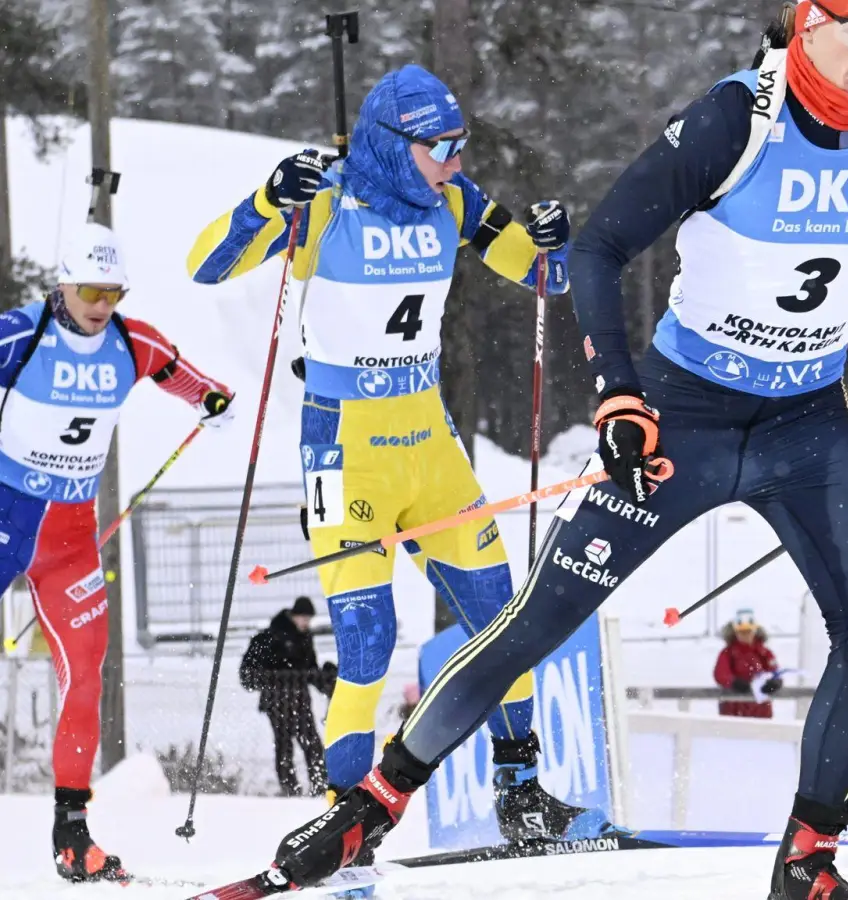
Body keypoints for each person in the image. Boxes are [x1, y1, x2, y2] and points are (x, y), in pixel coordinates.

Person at [264, 4, 848, 899]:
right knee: (538, 621)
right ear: (809, 28)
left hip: (807, 423)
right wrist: (618, 392)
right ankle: (370, 804)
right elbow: (602, 248)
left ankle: (808, 861)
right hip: (684, 417)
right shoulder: (736, 119)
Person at [186, 63, 585, 864]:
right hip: (346, 448)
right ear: (395, 144)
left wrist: (553, 238)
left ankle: (522, 792)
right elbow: (208, 264)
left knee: (503, 618)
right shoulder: (326, 200)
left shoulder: (454, 201)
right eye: (442, 145)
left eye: (461, 142)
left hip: (428, 441)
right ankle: (347, 818)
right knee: (367, 641)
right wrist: (269, 198)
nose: (457, 160)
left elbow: (544, 275)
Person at [0, 223, 234, 882]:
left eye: (113, 290)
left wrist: (212, 400)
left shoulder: (132, 342)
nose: (101, 303)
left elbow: (184, 375)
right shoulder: (22, 333)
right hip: (6, 518)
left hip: (72, 539)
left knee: (85, 673)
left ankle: (72, 836)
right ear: (63, 284)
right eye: (90, 289)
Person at [240, 595, 337, 797]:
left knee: (311, 744)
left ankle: (319, 786)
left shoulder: (304, 637)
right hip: (276, 700)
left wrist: (327, 683)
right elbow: (250, 674)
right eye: (303, 618)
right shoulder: (271, 637)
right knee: (285, 745)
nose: (305, 623)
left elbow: (309, 669)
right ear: (293, 616)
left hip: (299, 699)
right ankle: (291, 789)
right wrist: (278, 678)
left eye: (308, 619)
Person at [715, 609, 784, 719]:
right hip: (734, 711)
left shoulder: (765, 653)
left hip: (761, 711)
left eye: (748, 631)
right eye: (741, 632)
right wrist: (734, 683)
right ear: (735, 633)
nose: (745, 635)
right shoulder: (728, 653)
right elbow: (721, 674)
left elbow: (775, 671)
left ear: (754, 631)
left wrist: (775, 682)